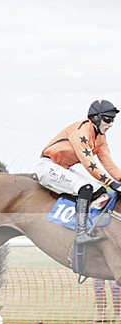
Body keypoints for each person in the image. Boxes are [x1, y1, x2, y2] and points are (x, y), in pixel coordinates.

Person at [37, 99, 121, 245]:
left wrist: (119, 179)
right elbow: (89, 163)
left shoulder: (100, 137)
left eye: (113, 119)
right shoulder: (80, 133)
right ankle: (80, 233)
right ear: (95, 117)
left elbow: (108, 162)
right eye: (107, 119)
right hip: (48, 166)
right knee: (85, 187)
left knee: (101, 191)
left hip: (63, 168)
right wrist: (111, 183)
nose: (111, 124)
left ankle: (90, 225)